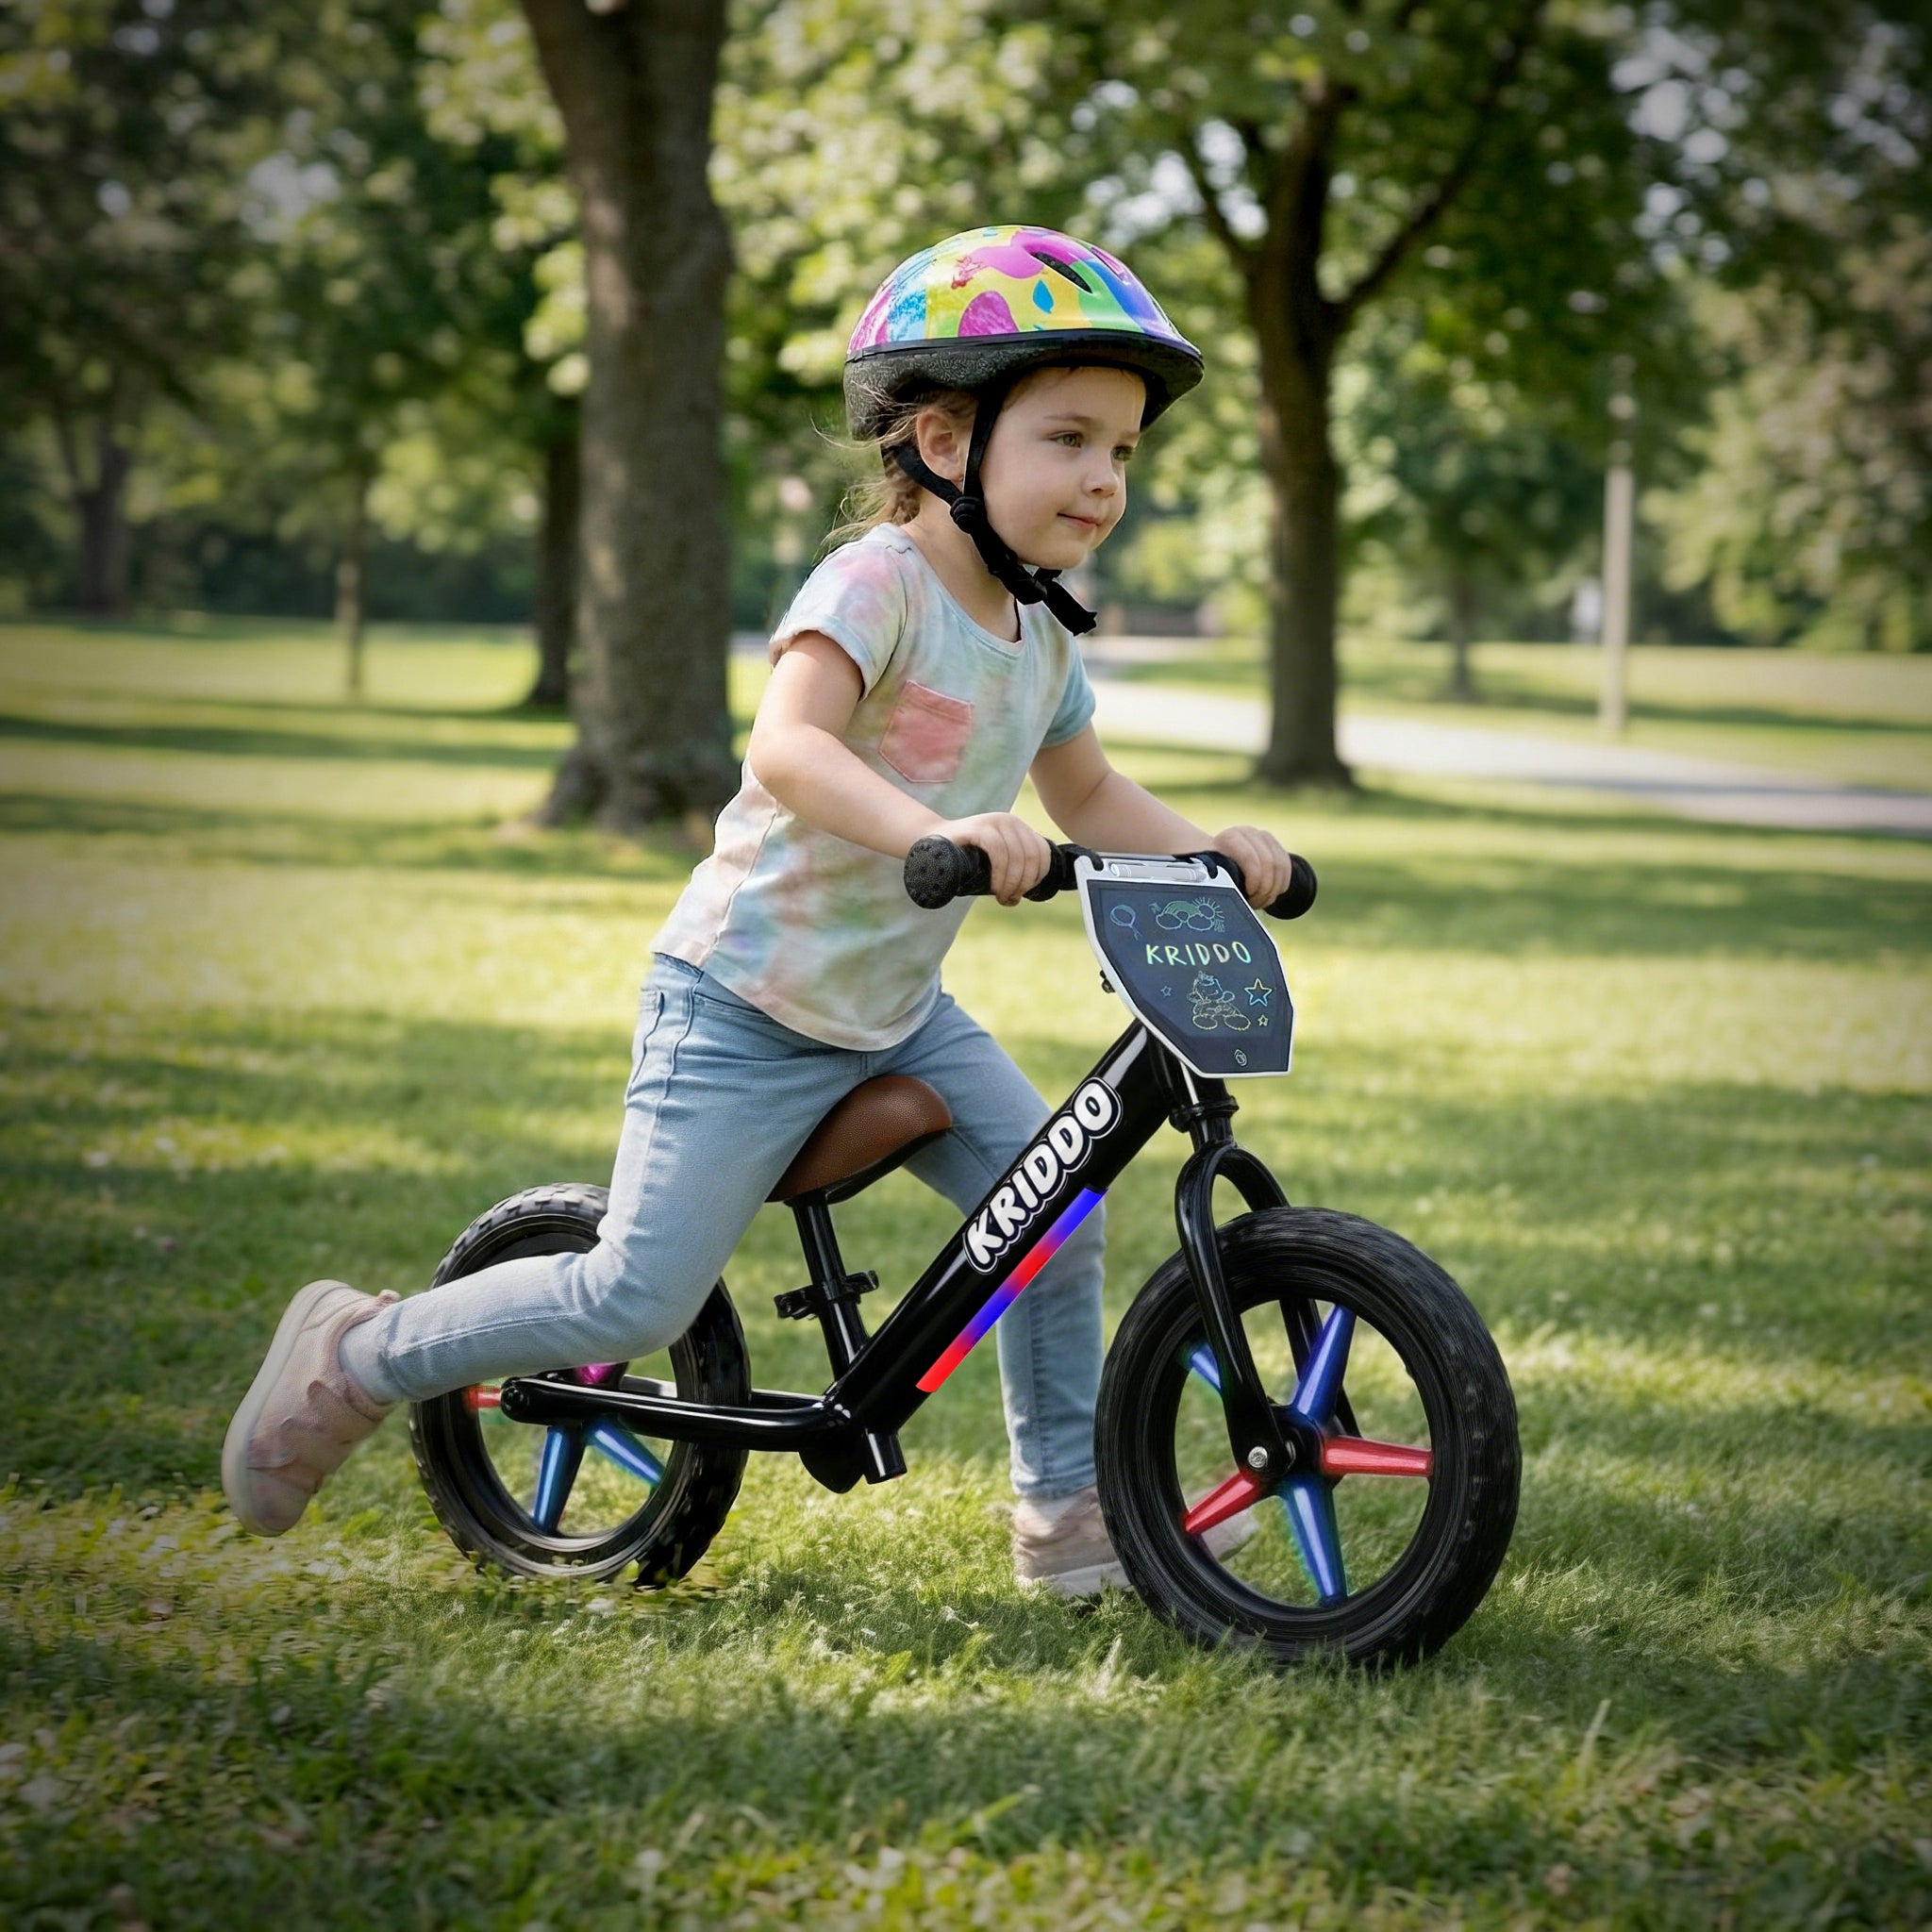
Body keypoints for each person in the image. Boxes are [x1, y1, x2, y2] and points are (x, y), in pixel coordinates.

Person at [222, 224, 1292, 1596]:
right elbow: (787, 749)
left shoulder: (1041, 633)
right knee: (634, 1296)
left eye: (1124, 453)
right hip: (741, 1000)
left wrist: (1214, 853)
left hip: (897, 1015)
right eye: (1071, 438)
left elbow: (1086, 791)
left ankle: (1068, 1508)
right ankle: (355, 1352)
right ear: (950, 442)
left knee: (1057, 1210)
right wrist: (937, 829)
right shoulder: (878, 584)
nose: (1103, 479)